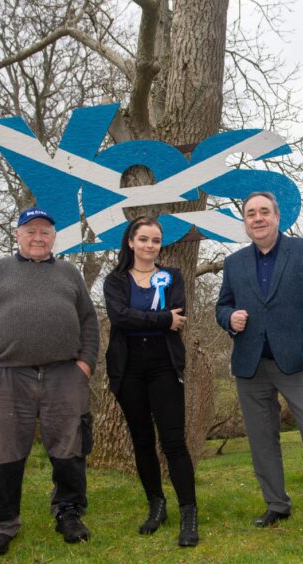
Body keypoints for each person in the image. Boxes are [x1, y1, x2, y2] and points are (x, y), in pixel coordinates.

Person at [215, 191, 303, 535]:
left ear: (278, 217)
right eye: (251, 213)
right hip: (250, 366)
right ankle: (276, 504)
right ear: (245, 222)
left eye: (264, 211)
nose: (258, 218)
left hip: (299, 362)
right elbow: (222, 306)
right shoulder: (234, 263)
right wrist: (229, 317)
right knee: (262, 440)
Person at [0, 207, 99, 558]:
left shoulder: (70, 274)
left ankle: (68, 514)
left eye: (45, 232)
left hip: (64, 374)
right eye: (31, 231)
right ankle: (3, 525)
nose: (38, 237)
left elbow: (89, 321)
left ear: (54, 237)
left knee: (69, 449)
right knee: (5, 454)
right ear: (18, 235)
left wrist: (85, 364)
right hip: (9, 377)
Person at [103, 217, 198, 547]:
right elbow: (120, 318)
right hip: (128, 367)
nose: (149, 245)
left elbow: (179, 315)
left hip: (164, 365)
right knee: (142, 440)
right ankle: (156, 505)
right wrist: (162, 320)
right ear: (130, 242)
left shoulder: (173, 277)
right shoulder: (114, 281)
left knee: (173, 442)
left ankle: (189, 512)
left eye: (155, 240)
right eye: (143, 239)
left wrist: (154, 320)